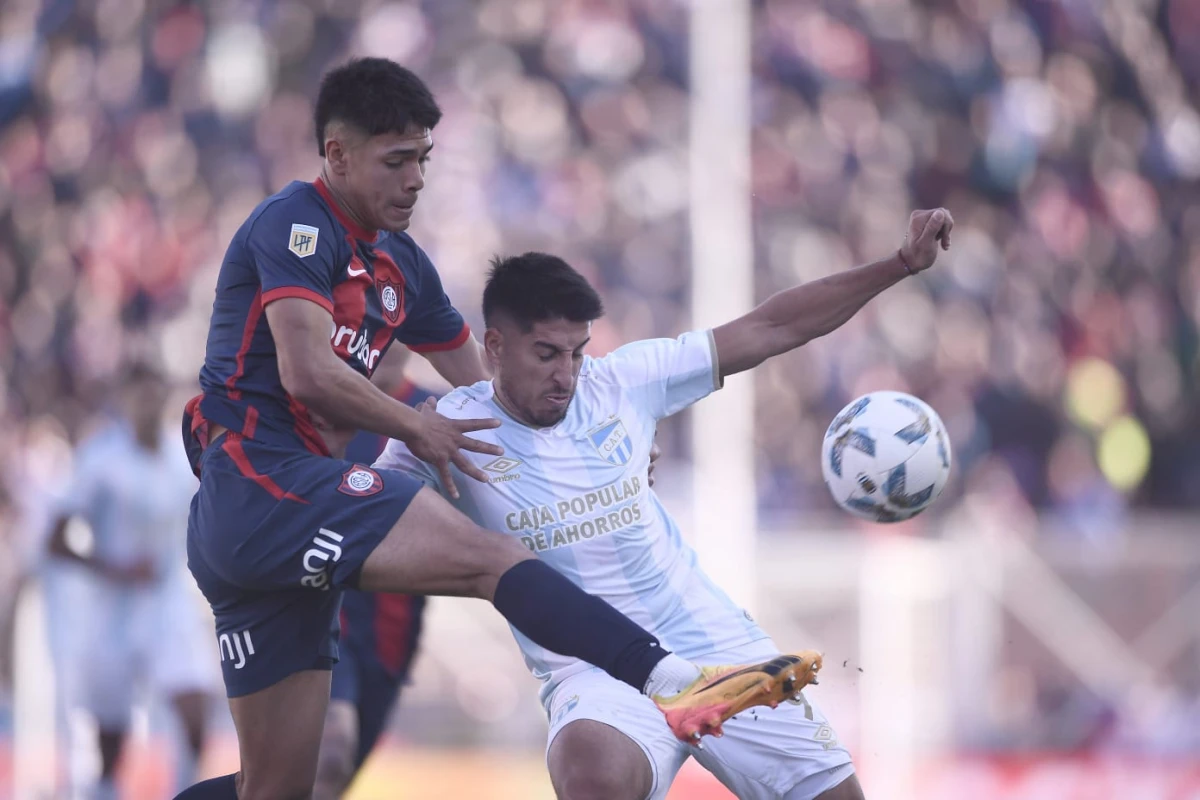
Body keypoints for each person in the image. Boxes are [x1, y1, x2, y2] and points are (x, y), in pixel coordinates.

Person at [176, 57, 818, 800]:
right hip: (263, 484)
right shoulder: (295, 224)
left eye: (423, 158)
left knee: (277, 790)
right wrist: (417, 430)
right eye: (396, 160)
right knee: (490, 559)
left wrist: (586, 435)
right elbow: (307, 373)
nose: (415, 178)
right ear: (338, 155)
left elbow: (484, 385)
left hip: (276, 521)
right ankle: (672, 679)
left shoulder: (401, 265)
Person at [375, 212, 955, 800]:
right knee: (591, 775)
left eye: (577, 353)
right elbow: (353, 515)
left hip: (713, 650)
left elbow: (771, 326)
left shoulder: (622, 382)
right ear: (494, 347)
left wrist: (899, 264)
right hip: (595, 671)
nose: (567, 375)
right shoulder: (445, 431)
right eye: (547, 354)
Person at [46, 364, 216, 798]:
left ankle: (187, 791)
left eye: (154, 394)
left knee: (196, 712)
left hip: (167, 602)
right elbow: (56, 539)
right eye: (139, 394)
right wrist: (112, 567)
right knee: (111, 741)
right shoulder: (101, 459)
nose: (148, 404)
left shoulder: (182, 458)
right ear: (123, 398)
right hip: (112, 609)